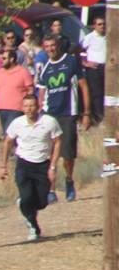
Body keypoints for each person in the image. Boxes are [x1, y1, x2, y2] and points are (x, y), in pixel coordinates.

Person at [0, 93, 61, 242]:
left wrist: (52, 167)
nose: (29, 109)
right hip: (24, 164)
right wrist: (3, 166)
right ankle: (33, 226)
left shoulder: (49, 122)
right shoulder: (17, 123)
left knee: (41, 202)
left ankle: (29, 211)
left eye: (32, 106)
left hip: (42, 164)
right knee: (26, 198)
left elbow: (57, 142)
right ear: (22, 108)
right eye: (26, 106)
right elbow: (7, 142)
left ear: (38, 107)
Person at [36, 35, 90, 203]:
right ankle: (51, 189)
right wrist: (40, 113)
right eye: (47, 46)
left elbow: (83, 86)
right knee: (49, 153)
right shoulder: (45, 68)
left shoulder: (71, 61)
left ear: (58, 46)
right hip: (49, 114)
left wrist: (86, 113)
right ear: (44, 48)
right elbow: (42, 93)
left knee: (67, 154)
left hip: (68, 113)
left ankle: (68, 180)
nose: (51, 49)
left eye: (53, 45)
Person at [0, 48, 34, 139]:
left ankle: (14, 152)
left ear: (12, 59)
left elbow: (30, 89)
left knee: (10, 135)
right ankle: (12, 152)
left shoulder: (23, 72)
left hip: (17, 109)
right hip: (2, 109)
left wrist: (28, 105)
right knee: (6, 134)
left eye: (4, 58)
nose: (1, 61)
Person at [81, 17, 106, 125]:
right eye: (99, 24)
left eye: (104, 24)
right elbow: (80, 51)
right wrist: (86, 63)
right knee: (96, 93)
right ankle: (98, 116)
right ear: (94, 26)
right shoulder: (89, 38)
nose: (102, 26)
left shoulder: (109, 36)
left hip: (107, 68)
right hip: (94, 68)